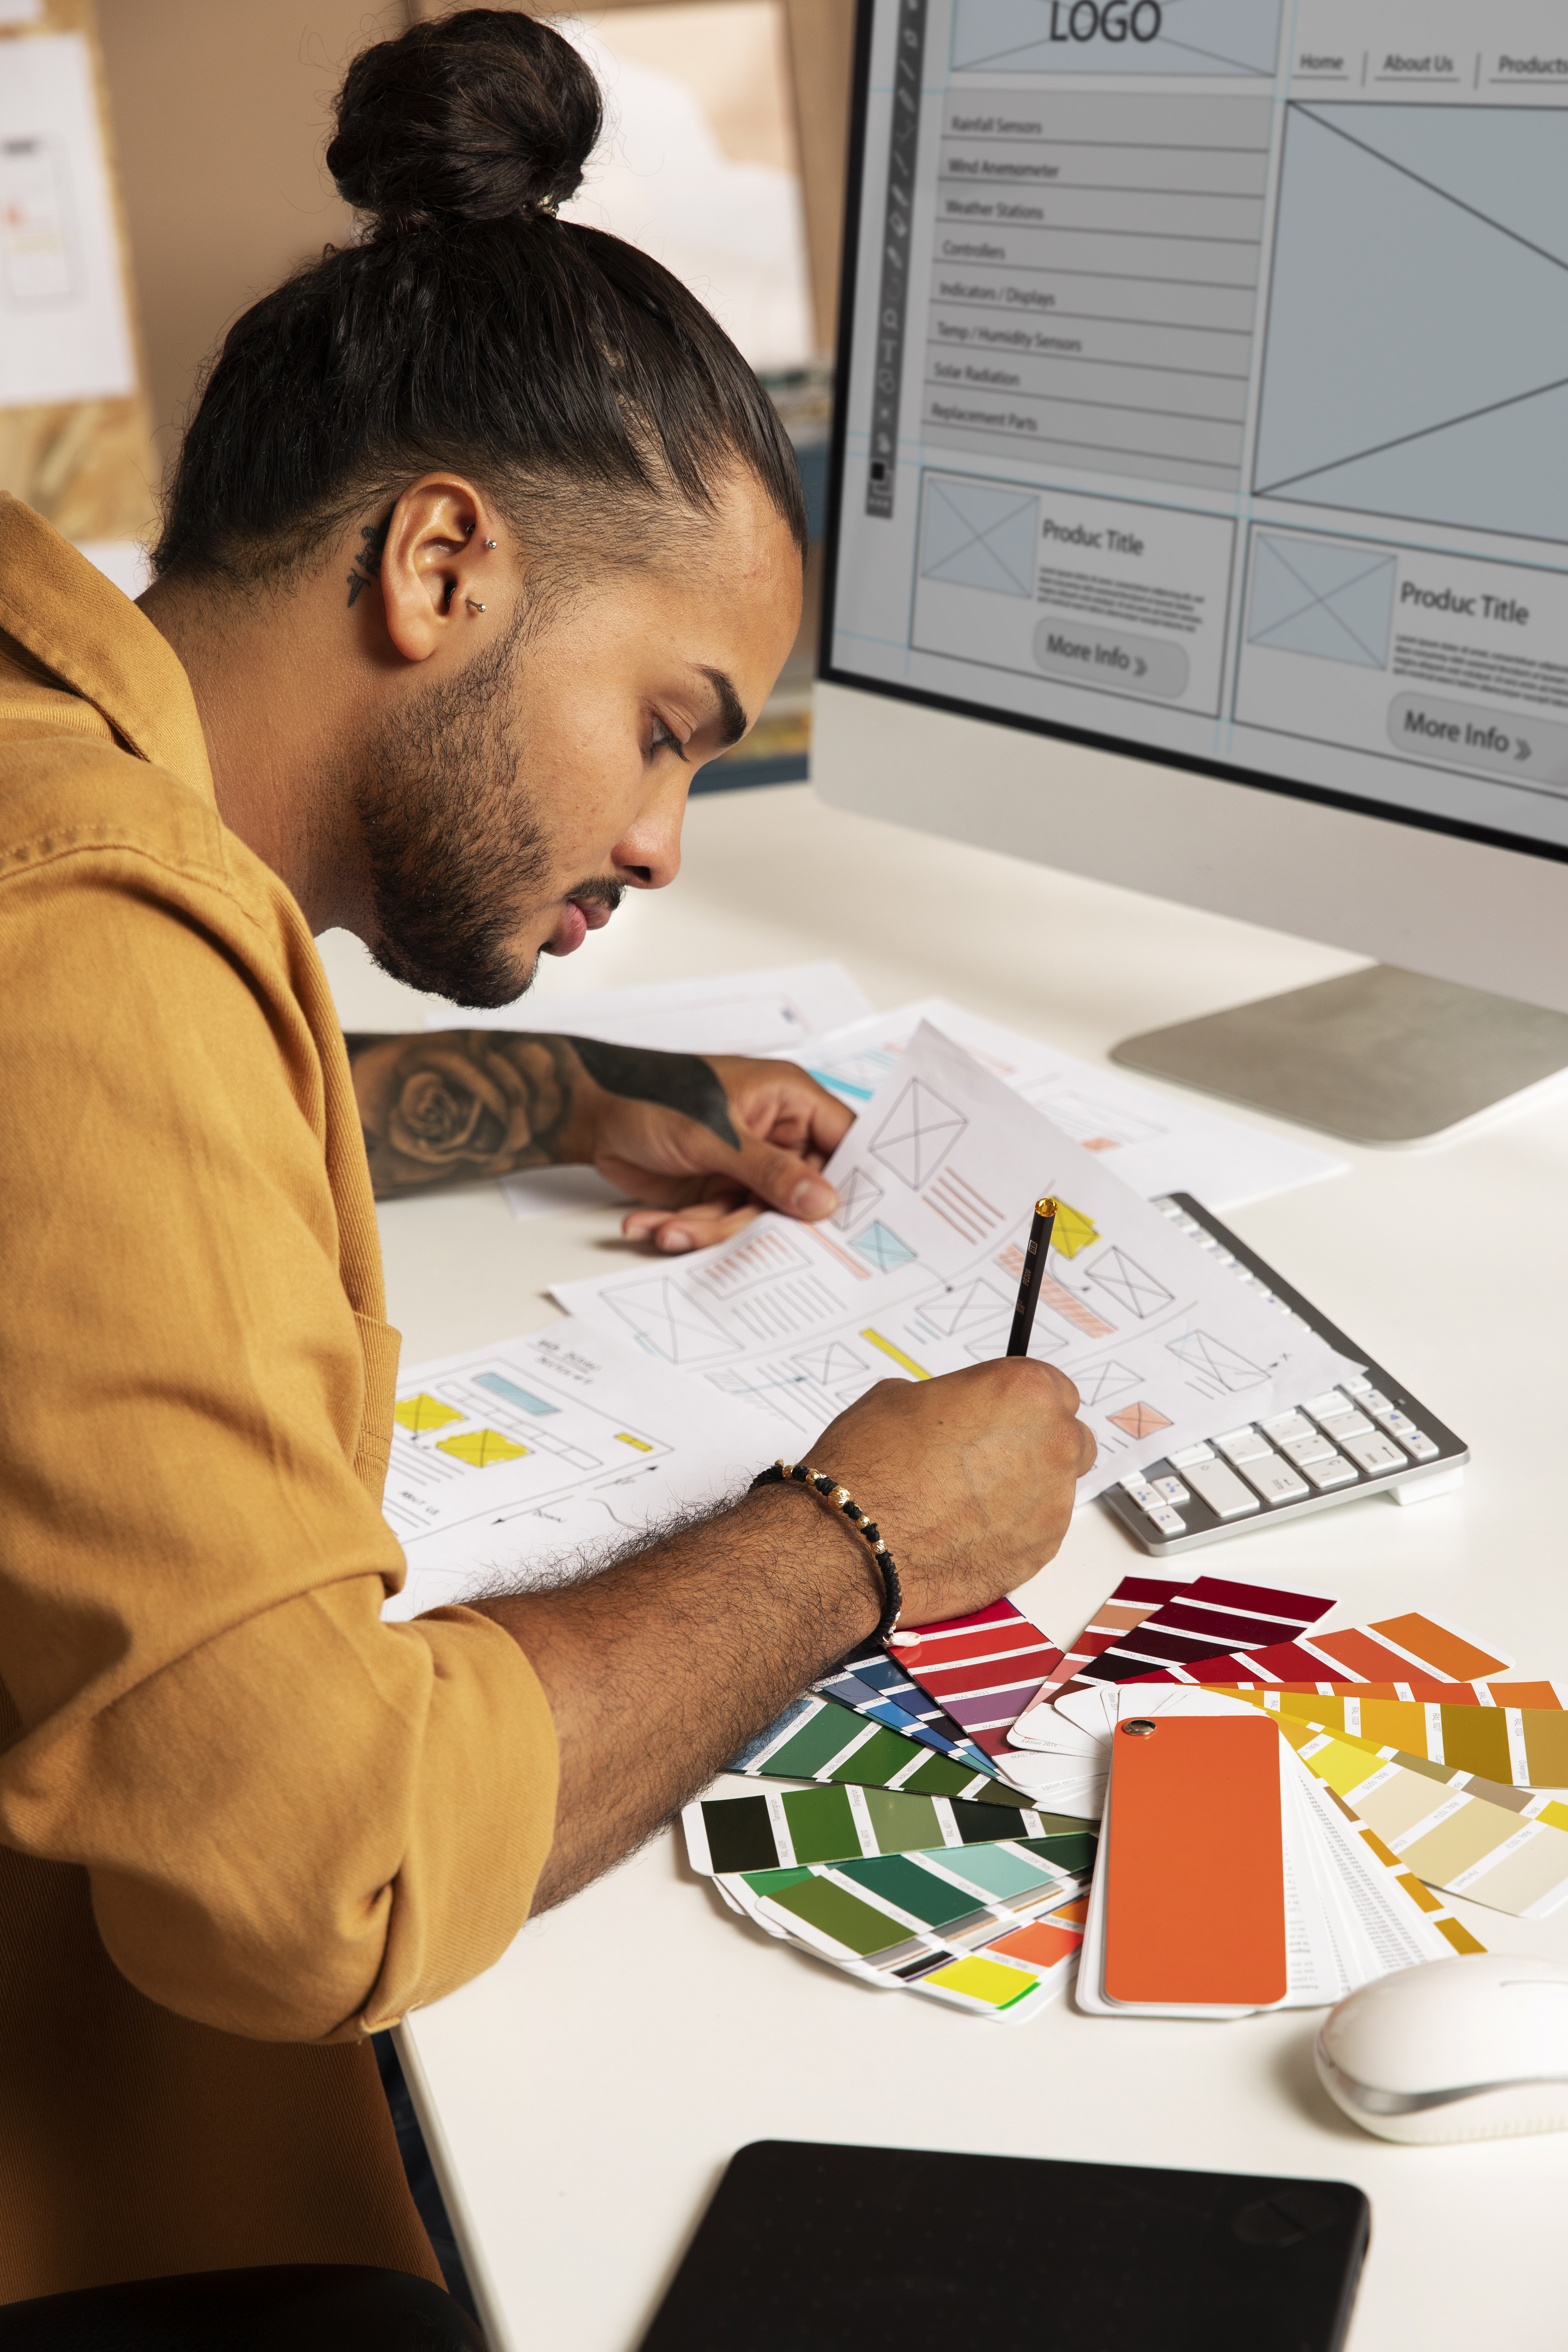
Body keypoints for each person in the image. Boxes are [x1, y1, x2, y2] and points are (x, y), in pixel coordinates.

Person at [0, 7, 1094, 2312]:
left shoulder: (52, 758)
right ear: (442, 565)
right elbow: (328, 1874)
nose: (665, 840)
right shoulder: (85, 940)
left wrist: (565, 1089)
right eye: (667, 728)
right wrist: (860, 1535)